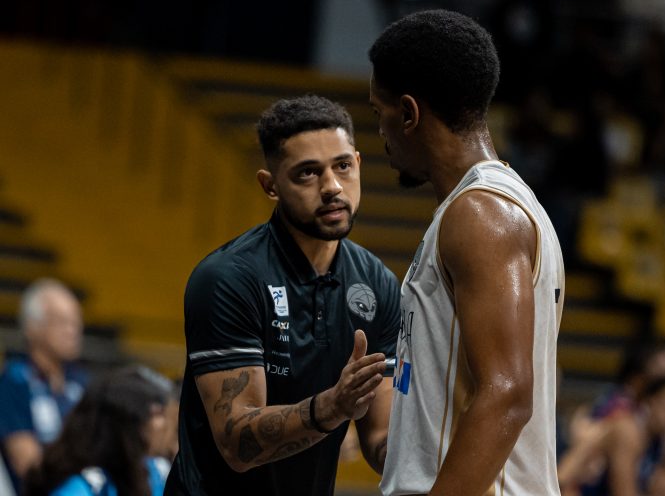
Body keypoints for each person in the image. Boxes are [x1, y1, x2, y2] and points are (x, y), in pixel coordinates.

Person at [369, 9, 565, 495]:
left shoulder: (480, 214)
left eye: (378, 114)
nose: (379, 134)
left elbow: (508, 394)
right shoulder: (491, 207)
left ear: (409, 114)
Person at [163, 95, 400, 495]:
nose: (332, 186)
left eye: (343, 166)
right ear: (269, 185)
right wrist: (332, 407)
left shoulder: (377, 282)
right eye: (308, 173)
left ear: (359, 164)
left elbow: (380, 440)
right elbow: (237, 444)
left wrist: (451, 444)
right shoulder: (228, 278)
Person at [24, 365, 174, 496]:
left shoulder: (152, 472)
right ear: (127, 423)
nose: (167, 424)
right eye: (158, 414)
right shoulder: (83, 487)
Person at [0, 278, 88, 494]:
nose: (72, 331)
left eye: (76, 322)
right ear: (32, 326)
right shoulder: (14, 382)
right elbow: (27, 466)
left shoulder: (81, 382)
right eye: (62, 322)